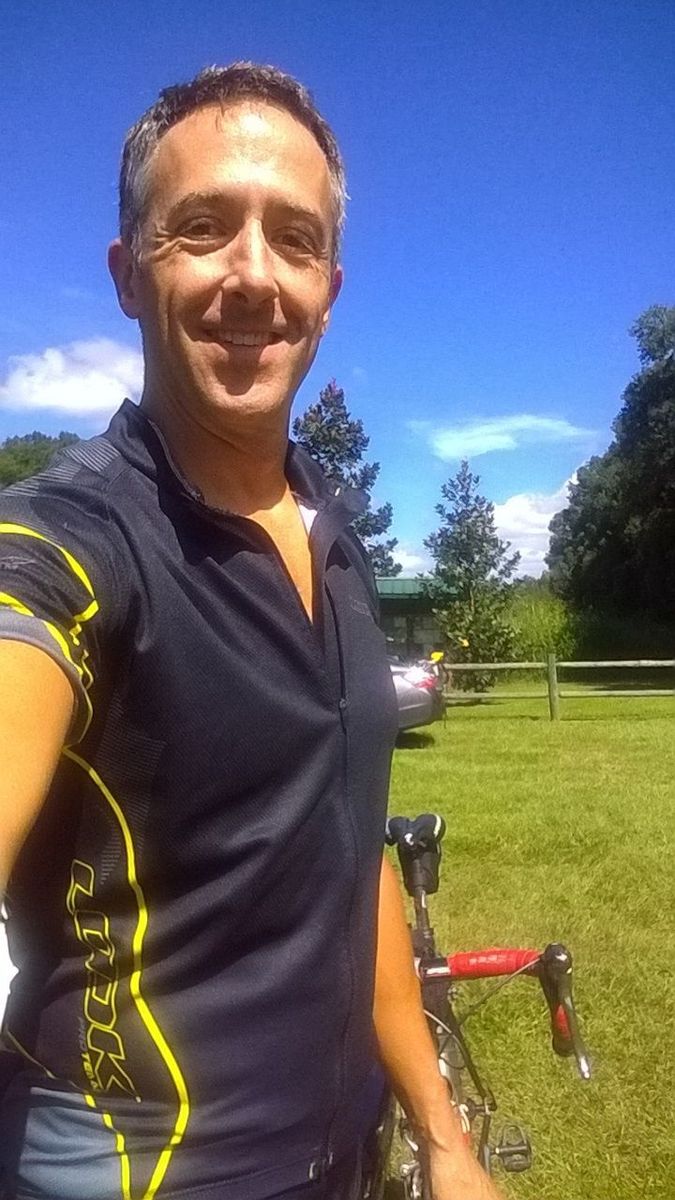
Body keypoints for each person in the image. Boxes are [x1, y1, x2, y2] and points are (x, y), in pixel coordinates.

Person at [0, 64, 501, 1200]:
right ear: (127, 275)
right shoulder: (70, 541)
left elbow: (349, 858)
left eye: (294, 239)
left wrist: (442, 1133)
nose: (253, 275)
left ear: (329, 288)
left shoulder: (336, 541)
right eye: (202, 227)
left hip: (344, 1157)